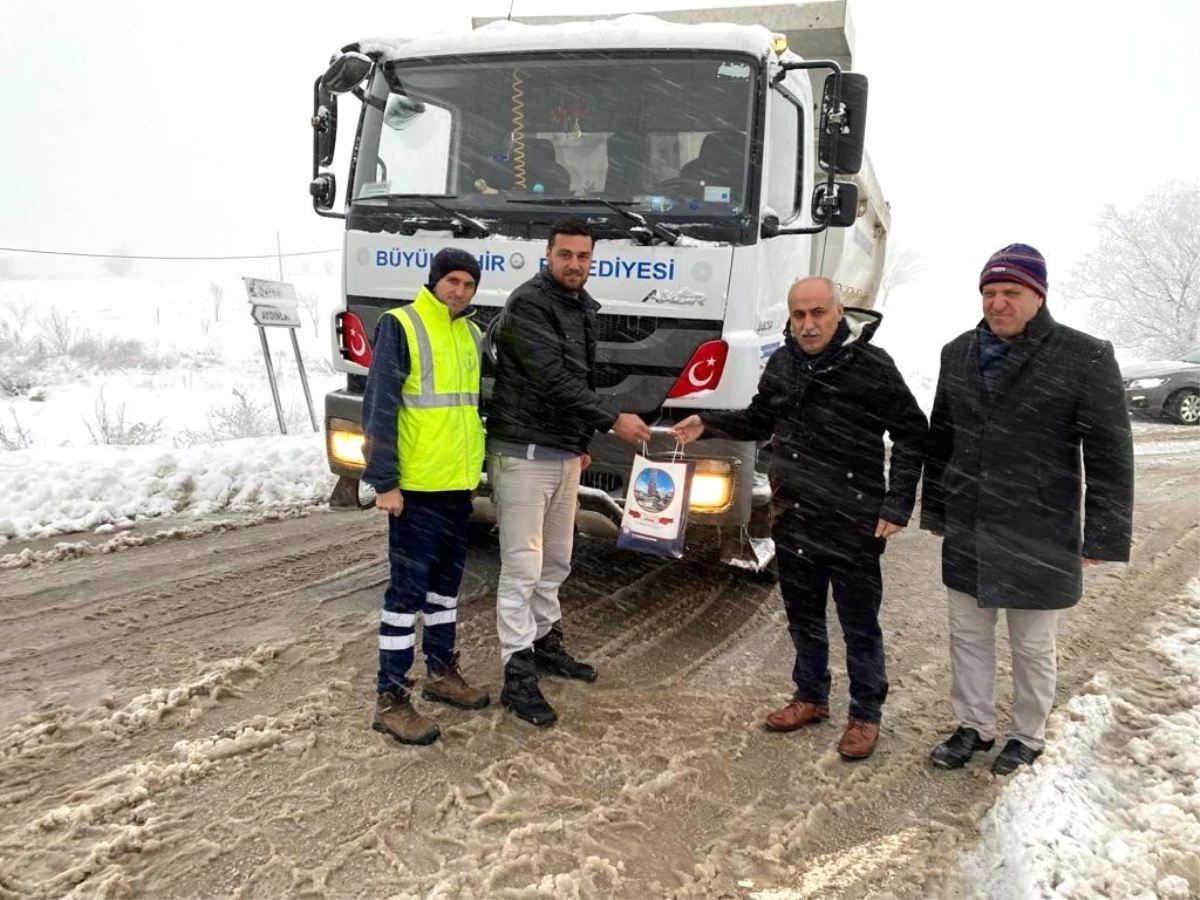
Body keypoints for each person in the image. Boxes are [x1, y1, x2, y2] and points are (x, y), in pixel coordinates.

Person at [671, 277, 927, 760]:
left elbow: (913, 433)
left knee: (859, 625)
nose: (808, 325)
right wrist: (708, 423)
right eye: (798, 315)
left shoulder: (872, 366)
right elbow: (760, 418)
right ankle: (810, 696)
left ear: (838, 314)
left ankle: (865, 714)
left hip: (854, 519)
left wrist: (896, 503)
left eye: (817, 314)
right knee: (803, 619)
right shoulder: (784, 363)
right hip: (795, 514)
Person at [922, 244, 1134, 775]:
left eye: (1011, 292)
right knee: (967, 633)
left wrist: (1103, 534)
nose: (998, 303)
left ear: (1038, 295)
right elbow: (941, 434)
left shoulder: (1083, 356)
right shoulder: (957, 352)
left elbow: (1109, 451)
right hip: (970, 520)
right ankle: (973, 726)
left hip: (1038, 524)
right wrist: (938, 508)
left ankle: (1027, 734)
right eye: (990, 293)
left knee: (1032, 642)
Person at [487, 217, 652, 727]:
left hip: (561, 455)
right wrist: (610, 420)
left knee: (557, 559)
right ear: (548, 255)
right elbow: (554, 379)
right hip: (523, 453)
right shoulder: (529, 304)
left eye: (583, 256)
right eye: (566, 255)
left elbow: (579, 378)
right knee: (522, 566)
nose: (574, 264)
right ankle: (517, 676)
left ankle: (545, 643)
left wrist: (580, 444)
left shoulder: (580, 308)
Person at [361, 248, 491, 746]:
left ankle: (441, 672)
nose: (460, 291)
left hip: (456, 485)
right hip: (414, 489)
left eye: (468, 284)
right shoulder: (402, 325)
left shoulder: (471, 334)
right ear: (435, 281)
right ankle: (389, 697)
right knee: (405, 595)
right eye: (453, 281)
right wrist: (385, 482)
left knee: (444, 588)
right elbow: (380, 405)